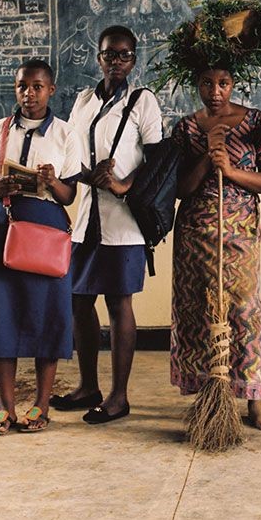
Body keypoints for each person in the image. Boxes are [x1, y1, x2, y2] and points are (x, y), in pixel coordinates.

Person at [50, 26, 162, 424]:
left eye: (125, 55)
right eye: (109, 55)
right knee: (77, 299)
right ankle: (88, 386)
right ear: (98, 58)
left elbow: (157, 164)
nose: (116, 62)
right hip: (86, 220)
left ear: (134, 59)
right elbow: (69, 152)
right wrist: (84, 174)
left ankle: (118, 396)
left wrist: (120, 184)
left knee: (118, 302)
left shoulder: (142, 101)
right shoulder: (83, 100)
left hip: (124, 221)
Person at [0, 59, 81, 434]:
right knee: (2, 313)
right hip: (6, 227)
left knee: (45, 314)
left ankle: (41, 405)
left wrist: (53, 182)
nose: (28, 94)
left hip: (46, 231)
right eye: (22, 86)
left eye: (37, 87)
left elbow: (70, 196)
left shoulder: (66, 134)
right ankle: (6, 408)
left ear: (51, 90)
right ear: (15, 88)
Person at [170, 67, 261, 431]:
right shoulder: (186, 128)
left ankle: (253, 400)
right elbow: (181, 188)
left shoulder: (256, 123)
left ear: (234, 84)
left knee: (245, 310)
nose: (214, 91)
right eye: (205, 82)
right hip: (195, 235)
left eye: (223, 83)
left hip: (239, 233)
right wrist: (207, 155)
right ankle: (209, 395)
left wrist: (231, 172)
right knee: (199, 312)